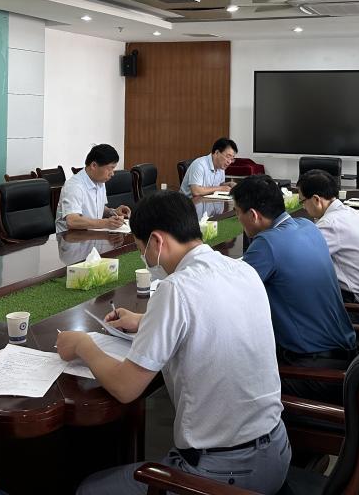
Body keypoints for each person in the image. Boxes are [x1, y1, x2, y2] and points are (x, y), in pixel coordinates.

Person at [59, 191, 290, 494]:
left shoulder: (175, 288)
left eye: (141, 249)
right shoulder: (242, 269)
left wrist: (82, 345)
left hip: (224, 472)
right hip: (277, 451)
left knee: (90, 489)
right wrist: (145, 320)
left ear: (156, 241)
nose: (145, 259)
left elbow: (126, 388)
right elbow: (210, 316)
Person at [233, 175, 357, 404]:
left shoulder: (267, 243)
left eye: (237, 213)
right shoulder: (307, 226)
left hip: (312, 368)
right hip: (344, 354)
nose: (238, 218)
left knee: (232, 381)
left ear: (253, 215)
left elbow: (230, 293)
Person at [298, 169, 359, 304]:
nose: (303, 207)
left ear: (316, 199)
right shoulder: (349, 212)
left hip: (353, 300)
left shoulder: (330, 224)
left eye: (302, 201)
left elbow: (301, 259)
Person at [56, 143, 131, 233]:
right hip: (71, 238)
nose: (112, 174)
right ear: (94, 165)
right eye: (110, 168)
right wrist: (106, 223)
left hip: (92, 235)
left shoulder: (100, 182)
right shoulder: (74, 186)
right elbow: (72, 221)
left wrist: (113, 212)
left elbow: (98, 208)